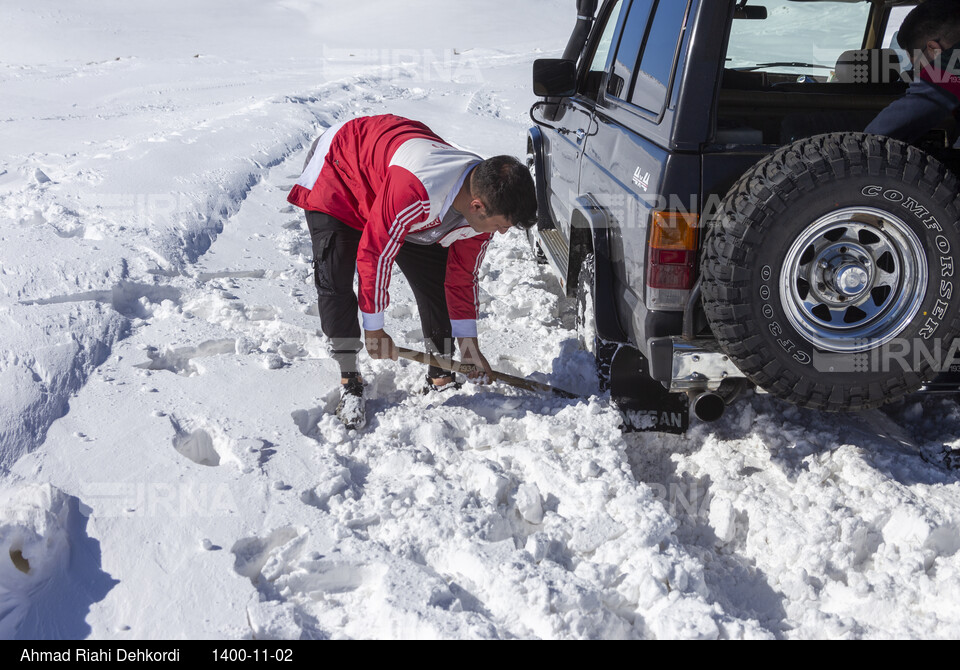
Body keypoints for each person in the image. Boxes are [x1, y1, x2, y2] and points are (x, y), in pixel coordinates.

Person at [287, 114, 537, 429]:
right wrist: (375, 329)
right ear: (477, 207)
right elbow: (375, 253)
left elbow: (460, 279)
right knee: (335, 276)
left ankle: (442, 370)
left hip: (394, 191)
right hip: (341, 170)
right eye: (501, 226)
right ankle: (350, 377)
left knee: (436, 276)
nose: (500, 233)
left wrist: (468, 346)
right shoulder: (417, 191)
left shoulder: (482, 199)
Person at [866, 0, 960, 143]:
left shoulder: (951, 64)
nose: (919, 76)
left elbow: (873, 138)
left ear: (934, 50)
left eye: (919, 67)